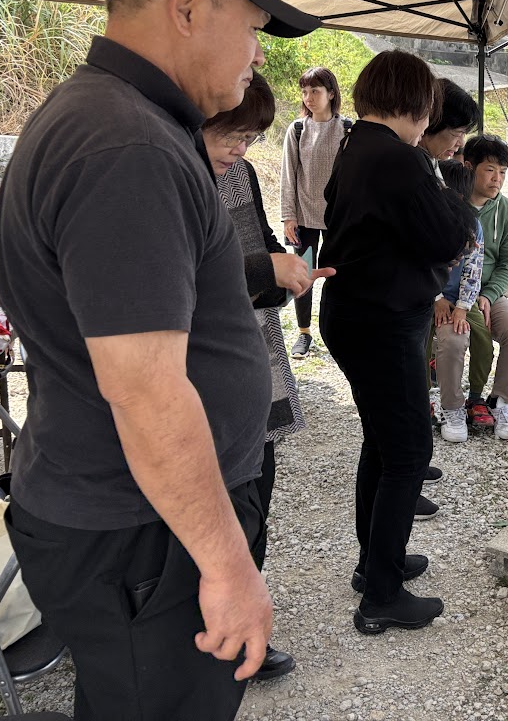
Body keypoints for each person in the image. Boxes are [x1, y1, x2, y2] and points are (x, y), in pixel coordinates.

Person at [0, 0, 319, 720]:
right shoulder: (126, 145)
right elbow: (145, 389)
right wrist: (228, 564)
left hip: (137, 523)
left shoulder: (114, 120)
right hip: (142, 533)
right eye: (252, 29)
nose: (257, 54)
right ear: (187, 6)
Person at [318, 50, 476, 635]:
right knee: (408, 452)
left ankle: (374, 563)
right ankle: (382, 594)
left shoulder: (357, 144)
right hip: (381, 321)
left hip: (357, 314)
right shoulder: (398, 158)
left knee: (383, 445)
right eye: (429, 110)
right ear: (415, 105)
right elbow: (449, 235)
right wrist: (454, 206)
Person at [201, 71, 335, 681]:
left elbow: (256, 240)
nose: (240, 149)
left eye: (251, 137)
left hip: (255, 351)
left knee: (258, 487)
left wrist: (285, 275)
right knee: (222, 506)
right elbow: (188, 269)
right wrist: (267, 269)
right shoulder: (172, 174)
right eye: (231, 134)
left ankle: (242, 626)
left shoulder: (241, 173)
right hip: (205, 366)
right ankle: (219, 640)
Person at [438, 134, 508, 438]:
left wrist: (488, 295)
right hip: (446, 295)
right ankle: (452, 407)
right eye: (490, 170)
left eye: (502, 172)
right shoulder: (449, 204)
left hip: (488, 293)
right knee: (453, 339)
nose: (497, 179)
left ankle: (500, 401)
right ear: (468, 167)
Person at [280, 66, 349, 358]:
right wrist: (288, 216)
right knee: (303, 275)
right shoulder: (297, 129)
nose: (308, 97)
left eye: (315, 91)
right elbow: (288, 175)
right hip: (305, 217)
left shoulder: (348, 129)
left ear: (331, 93)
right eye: (304, 91)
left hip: (338, 219)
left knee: (336, 275)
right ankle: (304, 333)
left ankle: (335, 330)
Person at [434, 160, 485, 442]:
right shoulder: (424, 218)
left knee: (475, 336)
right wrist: (437, 298)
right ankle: (434, 401)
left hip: (461, 300)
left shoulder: (473, 225)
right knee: (420, 342)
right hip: (425, 296)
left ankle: (474, 399)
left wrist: (463, 308)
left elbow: (473, 270)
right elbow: (418, 264)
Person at [419, 78, 481, 167]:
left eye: (463, 134)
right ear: (434, 123)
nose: (461, 143)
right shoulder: (412, 166)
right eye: (458, 133)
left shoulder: (430, 162)